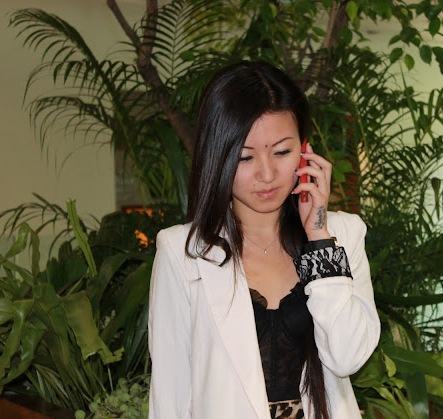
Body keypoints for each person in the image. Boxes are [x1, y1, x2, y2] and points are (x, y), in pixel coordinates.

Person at [148, 61, 380, 419]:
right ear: (217, 157)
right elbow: (170, 394)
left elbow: (347, 357)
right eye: (245, 157)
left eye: (282, 152)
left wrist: (318, 236)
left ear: (305, 150)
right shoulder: (183, 252)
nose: (267, 174)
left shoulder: (342, 237)